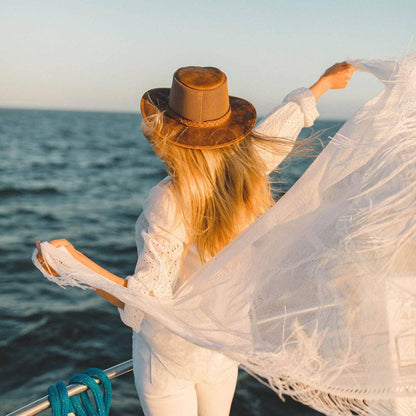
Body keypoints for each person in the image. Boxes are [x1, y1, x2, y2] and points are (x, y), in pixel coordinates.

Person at [36, 62, 356, 416]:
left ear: (167, 134)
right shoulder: (249, 171)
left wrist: (74, 263)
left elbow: (145, 302)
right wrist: (322, 85)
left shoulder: (169, 199)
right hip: (221, 347)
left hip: (168, 356)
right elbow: (283, 126)